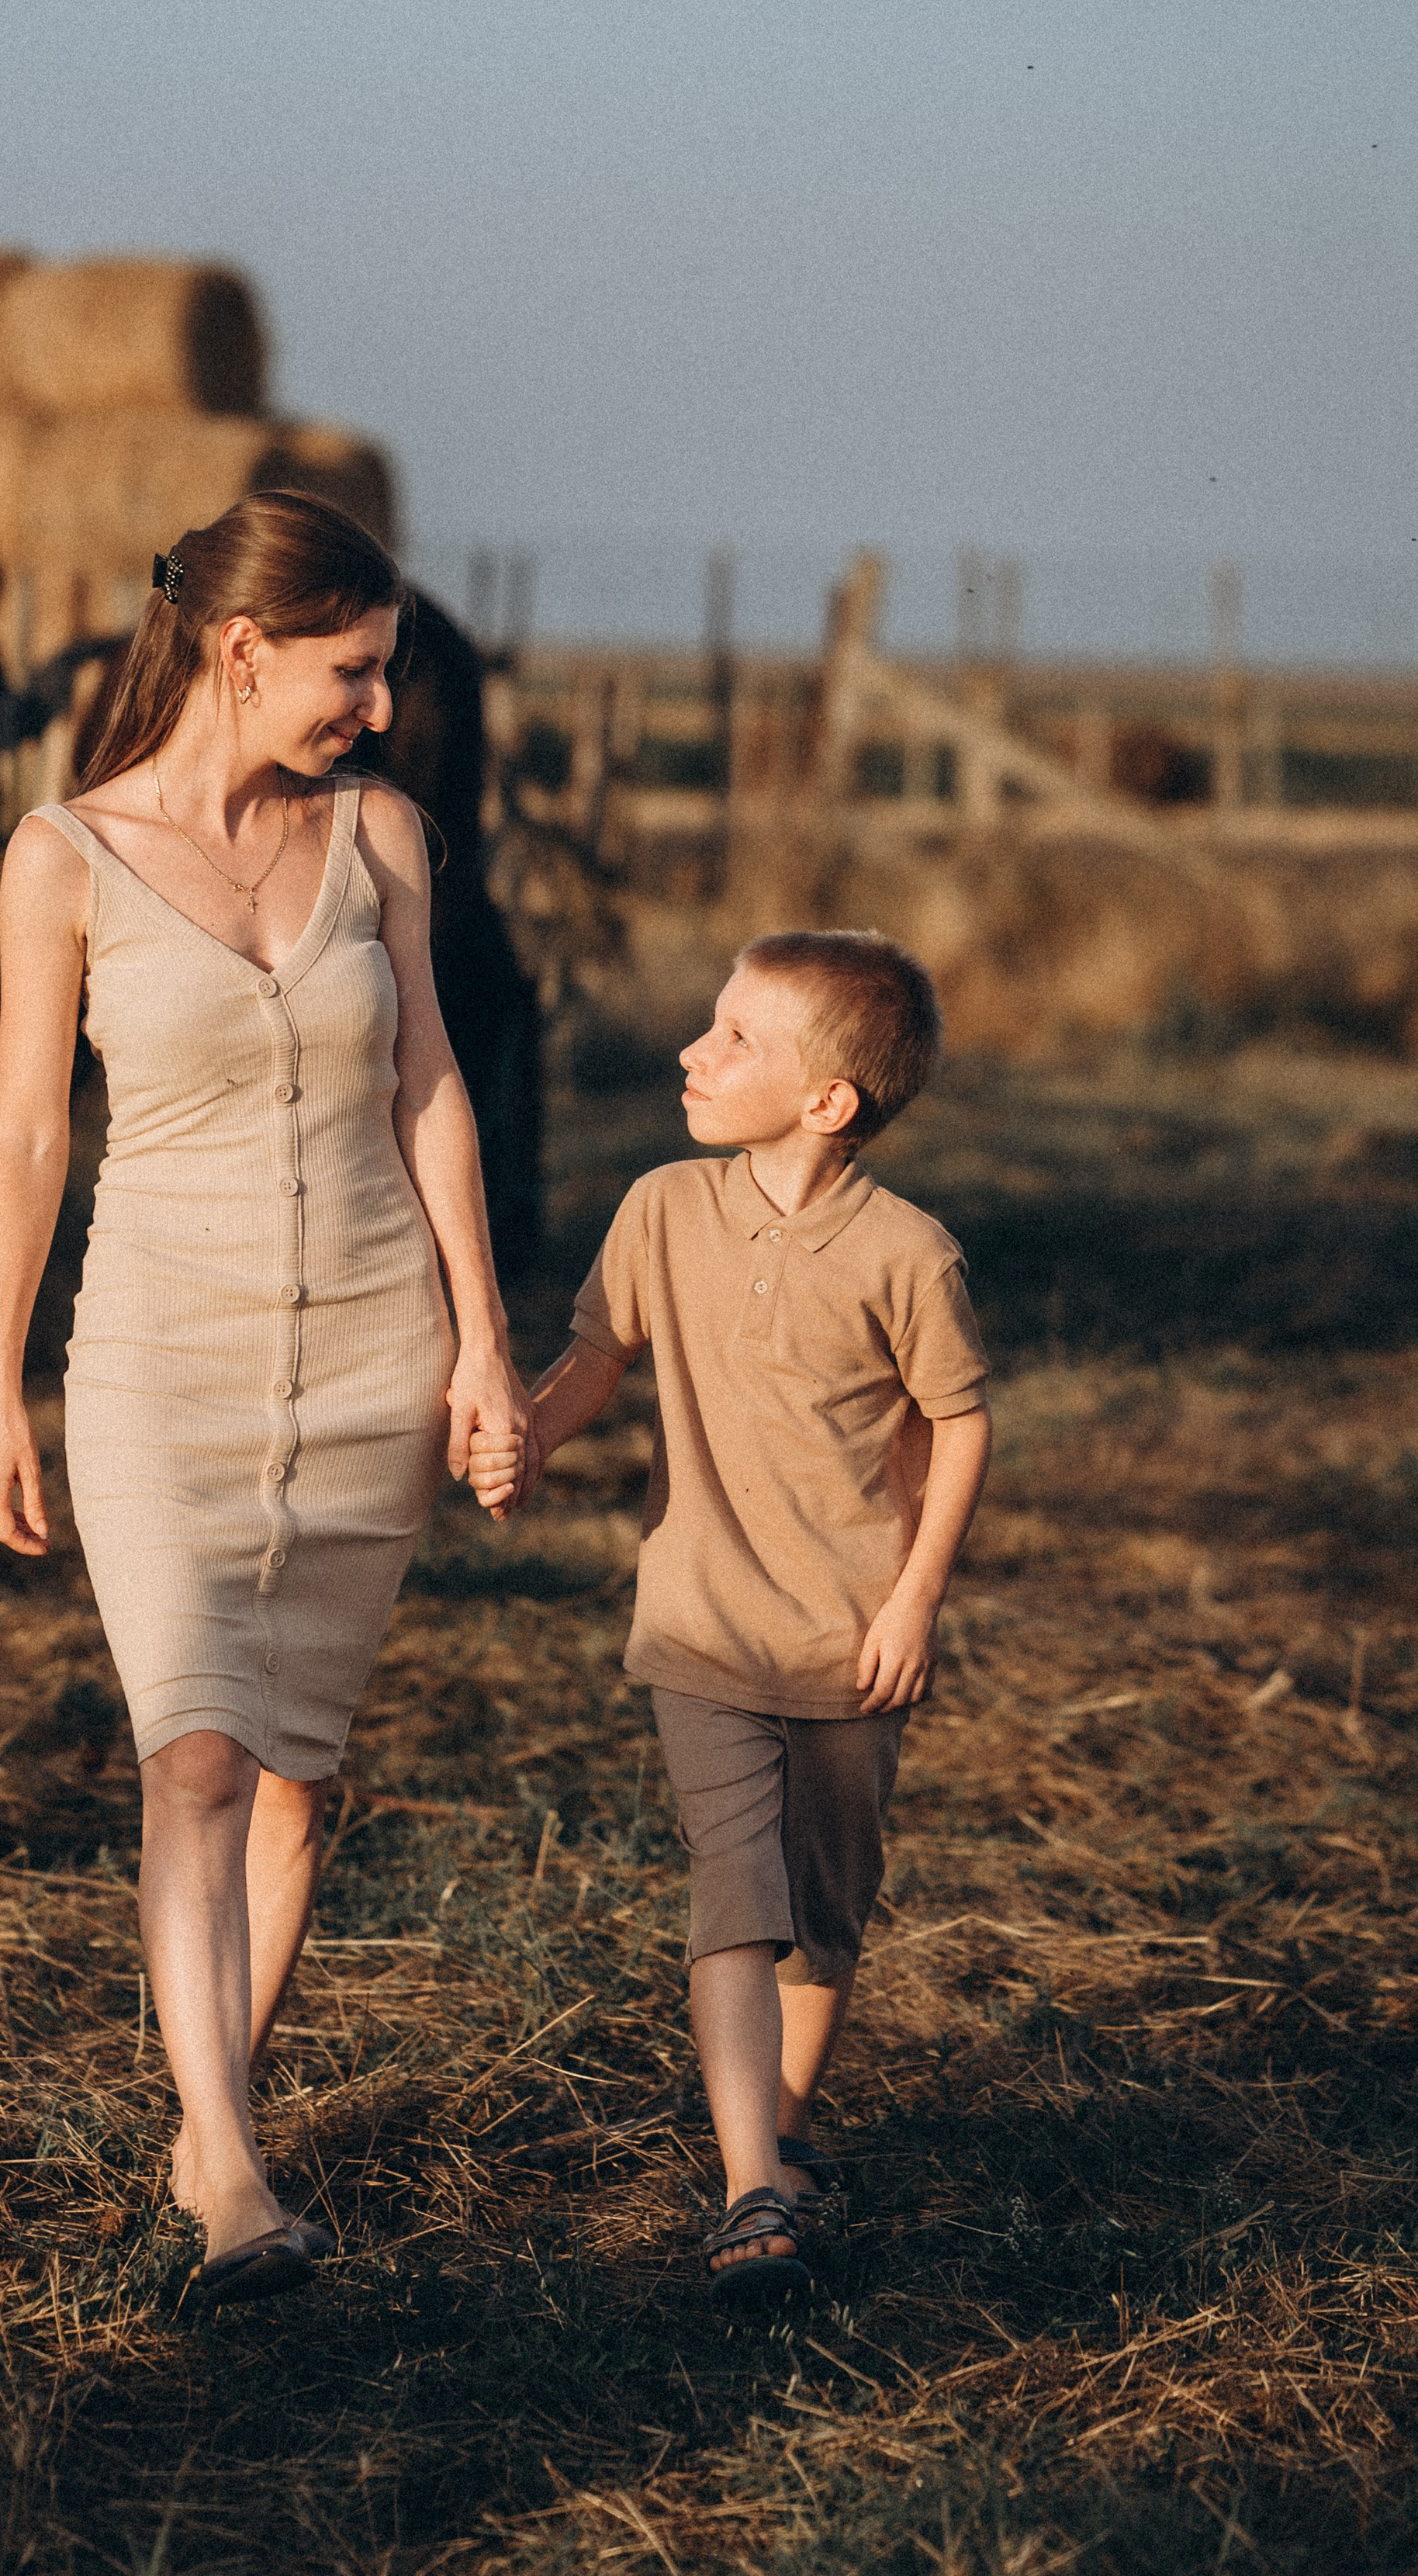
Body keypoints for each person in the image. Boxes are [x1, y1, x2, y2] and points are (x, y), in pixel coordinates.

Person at [0, 492, 531, 2308]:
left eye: (380, 673)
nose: (372, 705)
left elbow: (431, 1087)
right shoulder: (62, 854)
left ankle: (213, 2122)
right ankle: (232, 2193)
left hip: (372, 1349)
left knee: (295, 1778)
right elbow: (29, 1133)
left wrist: (483, 1335)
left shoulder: (383, 835)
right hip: (155, 1356)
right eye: (348, 670)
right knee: (194, 1752)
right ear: (238, 651)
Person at [472, 932, 990, 2304]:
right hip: (700, 1619)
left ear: (828, 1100)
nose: (695, 1053)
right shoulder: (659, 1208)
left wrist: (917, 1596)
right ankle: (749, 2177)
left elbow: (959, 1420)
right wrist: (523, 1432)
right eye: (709, 1024)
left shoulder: (907, 1253)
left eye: (737, 1037)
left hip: (847, 1637)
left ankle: (791, 2121)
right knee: (736, 1890)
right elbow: (598, 1354)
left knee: (827, 1903)